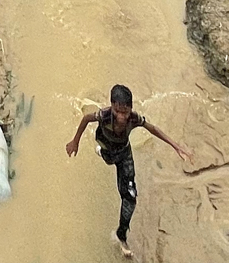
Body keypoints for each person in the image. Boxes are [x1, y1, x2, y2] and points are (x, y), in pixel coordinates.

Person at [66, 85, 192, 258]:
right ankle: (101, 152)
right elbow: (86, 119)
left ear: (131, 109)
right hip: (106, 145)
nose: (121, 117)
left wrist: (176, 147)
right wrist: (75, 141)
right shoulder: (103, 115)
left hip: (124, 153)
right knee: (108, 158)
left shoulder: (134, 119)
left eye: (125, 112)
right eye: (117, 111)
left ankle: (121, 235)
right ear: (111, 106)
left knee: (130, 197)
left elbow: (152, 129)